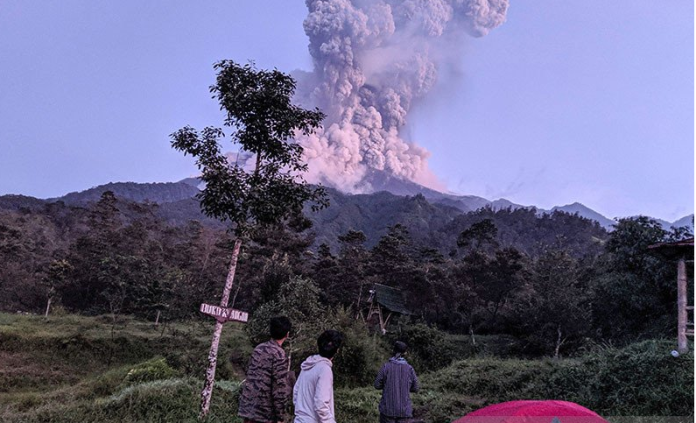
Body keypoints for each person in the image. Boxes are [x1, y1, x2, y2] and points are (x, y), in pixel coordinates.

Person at [238, 316, 292, 423]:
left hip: (248, 407)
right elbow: (279, 389)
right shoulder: (279, 354)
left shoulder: (258, 348)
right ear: (287, 334)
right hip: (264, 412)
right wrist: (281, 416)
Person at [293, 329, 344, 423]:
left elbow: (295, 393)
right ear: (337, 351)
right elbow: (321, 405)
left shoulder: (307, 365)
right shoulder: (325, 369)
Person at [374, 341, 420, 423]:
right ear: (405, 353)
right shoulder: (410, 369)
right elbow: (416, 388)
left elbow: (377, 385)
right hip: (404, 412)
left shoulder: (386, 367)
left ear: (393, 351)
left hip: (387, 410)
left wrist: (388, 385)